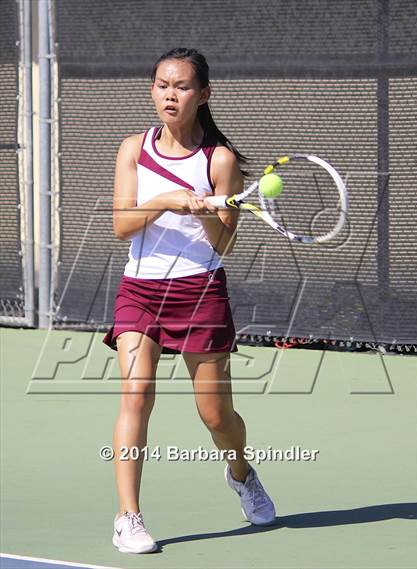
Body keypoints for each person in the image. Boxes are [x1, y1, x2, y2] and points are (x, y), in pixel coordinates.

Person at [103, 47, 276, 554]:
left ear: (203, 95)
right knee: (136, 397)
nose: (169, 95)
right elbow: (120, 225)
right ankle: (128, 517)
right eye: (161, 85)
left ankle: (241, 474)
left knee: (216, 415)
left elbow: (223, 245)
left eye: (180, 87)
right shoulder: (134, 148)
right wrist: (162, 201)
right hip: (141, 290)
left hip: (201, 291)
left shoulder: (220, 161)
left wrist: (202, 211)